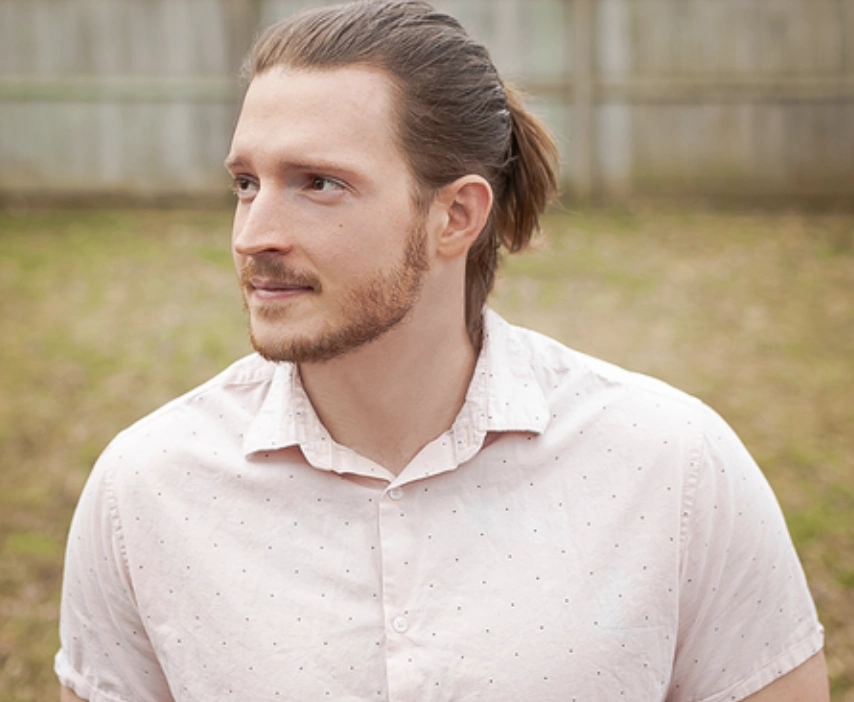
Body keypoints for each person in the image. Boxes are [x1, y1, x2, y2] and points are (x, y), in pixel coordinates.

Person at [57, 1, 828, 700]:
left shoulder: (672, 469)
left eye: (318, 183)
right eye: (246, 183)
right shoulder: (146, 491)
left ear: (456, 215)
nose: (254, 235)